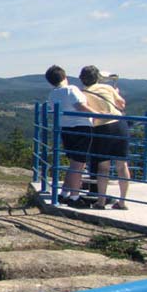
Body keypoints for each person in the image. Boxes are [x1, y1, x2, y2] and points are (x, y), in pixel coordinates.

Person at [80, 65, 130, 210]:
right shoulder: (108, 88)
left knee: (103, 167)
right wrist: (116, 93)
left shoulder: (83, 93)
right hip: (120, 124)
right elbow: (121, 104)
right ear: (98, 78)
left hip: (101, 127)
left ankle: (100, 202)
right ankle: (122, 201)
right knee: (122, 166)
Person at [45, 65, 94, 208]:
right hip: (81, 128)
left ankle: (65, 193)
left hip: (66, 129)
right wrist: (98, 114)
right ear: (65, 77)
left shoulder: (53, 94)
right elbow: (80, 106)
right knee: (78, 165)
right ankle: (74, 197)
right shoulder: (71, 89)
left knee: (74, 163)